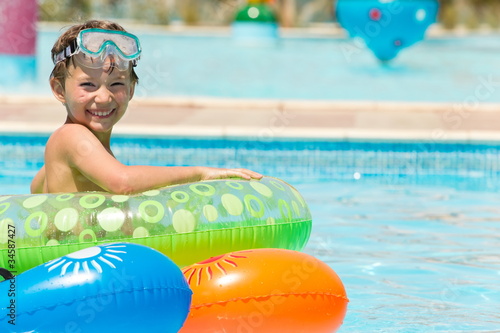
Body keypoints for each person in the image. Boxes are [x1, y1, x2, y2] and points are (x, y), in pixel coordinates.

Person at [31, 20, 262, 194]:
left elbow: (37, 187)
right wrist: (200, 174)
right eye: (88, 85)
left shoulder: (79, 147)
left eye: (117, 84)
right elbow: (122, 182)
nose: (103, 97)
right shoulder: (72, 136)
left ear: (131, 90)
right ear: (59, 90)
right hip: (80, 258)